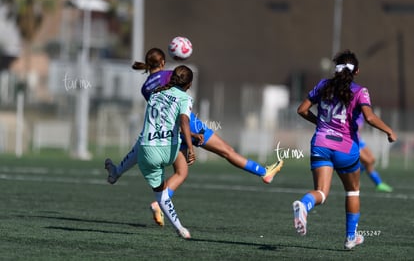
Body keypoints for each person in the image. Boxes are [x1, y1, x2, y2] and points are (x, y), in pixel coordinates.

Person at [105, 48, 283, 226]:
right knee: (227, 151)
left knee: (181, 172)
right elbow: (181, 84)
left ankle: (158, 202)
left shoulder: (145, 87)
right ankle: (264, 173)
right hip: (189, 125)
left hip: (168, 133)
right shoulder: (169, 75)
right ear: (163, 63)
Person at [292, 49, 397, 249]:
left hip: (320, 144)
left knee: (321, 192)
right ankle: (351, 238)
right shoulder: (360, 91)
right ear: (356, 71)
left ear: (336, 69)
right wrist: (389, 131)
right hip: (345, 148)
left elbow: (302, 110)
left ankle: (304, 204)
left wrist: (319, 123)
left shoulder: (323, 85)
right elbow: (370, 117)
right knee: (352, 192)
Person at [135, 65, 195, 239]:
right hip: (169, 151)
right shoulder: (185, 98)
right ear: (189, 84)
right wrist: (190, 148)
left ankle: (180, 229)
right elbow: (183, 121)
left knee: (161, 195)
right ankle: (115, 171)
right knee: (181, 171)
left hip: (147, 152)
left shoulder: (155, 93)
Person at [357, 115, 393, 192]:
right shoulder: (350, 108)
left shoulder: (361, 112)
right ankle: (378, 183)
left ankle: (379, 184)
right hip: (351, 139)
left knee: (372, 159)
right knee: (368, 161)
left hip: (359, 139)